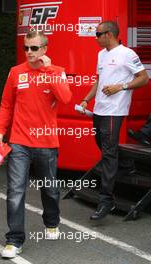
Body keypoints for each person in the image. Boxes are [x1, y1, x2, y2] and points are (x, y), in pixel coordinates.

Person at [0, 30, 72, 258]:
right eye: (26, 48)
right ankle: (14, 240)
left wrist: (48, 70)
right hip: (18, 142)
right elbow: (6, 105)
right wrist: (0, 131)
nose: (29, 52)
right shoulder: (15, 72)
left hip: (47, 142)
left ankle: (51, 222)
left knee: (50, 189)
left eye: (34, 48)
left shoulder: (57, 72)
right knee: (15, 191)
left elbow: (66, 98)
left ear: (45, 49)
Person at [80, 21, 149, 220]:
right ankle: (127, 165)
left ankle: (106, 200)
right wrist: (86, 99)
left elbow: (143, 78)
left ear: (109, 34)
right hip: (99, 109)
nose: (95, 38)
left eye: (98, 34)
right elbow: (98, 81)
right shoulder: (101, 54)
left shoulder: (127, 54)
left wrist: (121, 87)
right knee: (102, 144)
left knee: (108, 153)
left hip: (115, 110)